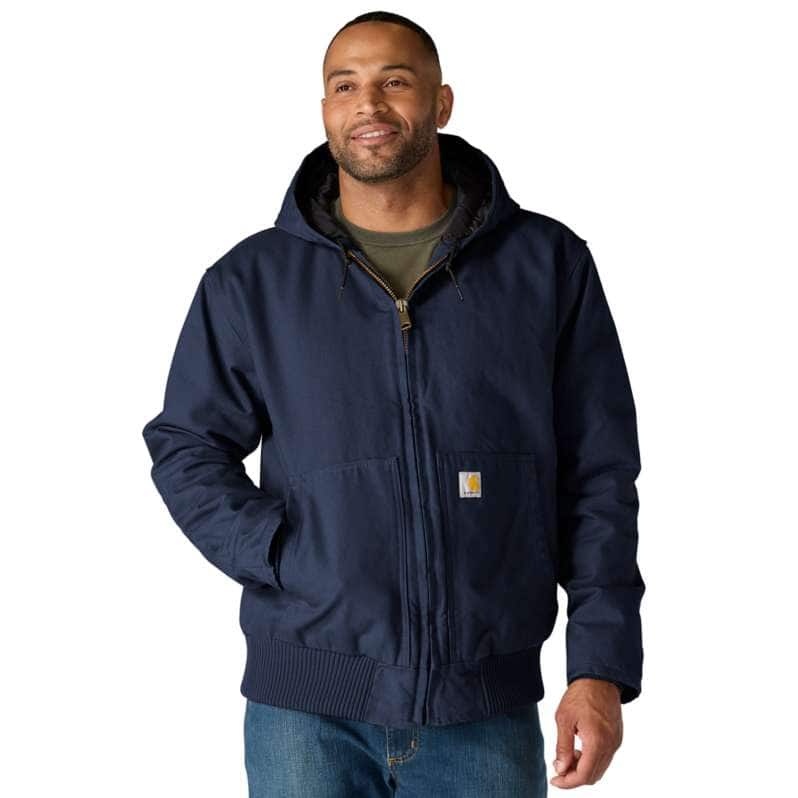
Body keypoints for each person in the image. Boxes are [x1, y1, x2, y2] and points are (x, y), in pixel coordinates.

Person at [142, 10, 645, 796]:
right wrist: (280, 552)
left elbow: (599, 474)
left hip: (483, 707)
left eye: (395, 81)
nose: (368, 105)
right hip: (304, 713)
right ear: (324, 110)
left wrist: (600, 667)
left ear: (441, 103)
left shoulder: (545, 265)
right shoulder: (251, 282)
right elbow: (186, 444)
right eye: (344, 86)